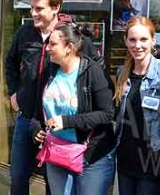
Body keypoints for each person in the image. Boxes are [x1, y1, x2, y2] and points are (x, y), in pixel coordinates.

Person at [5, 0, 103, 195]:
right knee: (18, 179)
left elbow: (94, 67)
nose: (33, 13)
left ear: (56, 8)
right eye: (31, 8)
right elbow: (10, 63)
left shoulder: (70, 35)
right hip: (27, 117)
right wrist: (13, 92)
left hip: (58, 123)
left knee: (55, 184)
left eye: (39, 8)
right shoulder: (24, 33)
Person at [30, 22, 115, 195]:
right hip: (57, 152)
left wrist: (67, 121)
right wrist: (37, 128)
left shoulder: (94, 72)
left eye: (53, 44)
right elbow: (38, 111)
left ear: (69, 47)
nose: (47, 48)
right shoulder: (51, 71)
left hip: (91, 157)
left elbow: (107, 114)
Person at [113, 16, 160, 195]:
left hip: (154, 163)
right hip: (126, 160)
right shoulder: (122, 73)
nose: (138, 45)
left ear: (153, 40)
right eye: (133, 39)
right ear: (126, 41)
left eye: (143, 39)